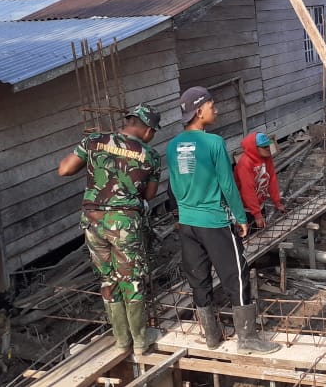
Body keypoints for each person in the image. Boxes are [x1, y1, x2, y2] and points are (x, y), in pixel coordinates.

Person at [167, 86, 281, 355]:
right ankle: (248, 338)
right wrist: (241, 217)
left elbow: (172, 186)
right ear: (199, 110)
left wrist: (181, 214)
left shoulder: (172, 146)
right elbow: (228, 186)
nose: (215, 109)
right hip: (213, 221)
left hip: (187, 223)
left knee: (199, 277)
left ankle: (211, 336)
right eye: (211, 105)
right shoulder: (214, 143)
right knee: (236, 275)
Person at [58, 104, 162, 355]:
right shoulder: (150, 155)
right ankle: (139, 340)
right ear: (147, 129)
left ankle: (121, 339)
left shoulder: (93, 141)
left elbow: (64, 169)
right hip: (124, 223)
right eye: (153, 131)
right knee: (132, 280)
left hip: (94, 222)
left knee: (108, 278)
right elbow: (149, 194)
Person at [235, 132, 286, 229]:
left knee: (262, 232)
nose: (268, 148)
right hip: (245, 208)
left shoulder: (267, 158)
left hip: (259, 204)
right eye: (264, 147)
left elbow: (272, 179)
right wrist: (257, 214)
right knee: (250, 237)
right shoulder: (245, 163)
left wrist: (277, 202)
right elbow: (248, 190)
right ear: (254, 148)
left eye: (268, 145)